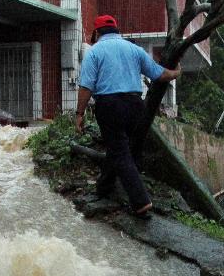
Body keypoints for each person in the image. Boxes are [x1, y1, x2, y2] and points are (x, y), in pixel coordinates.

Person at [75, 15, 181, 217]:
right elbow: (159, 74)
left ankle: (141, 201)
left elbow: (86, 87)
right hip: (135, 105)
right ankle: (104, 188)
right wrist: (176, 73)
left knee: (121, 151)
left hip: (109, 105)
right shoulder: (135, 50)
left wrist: (79, 114)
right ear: (116, 30)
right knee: (121, 149)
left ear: (97, 33)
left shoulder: (94, 51)